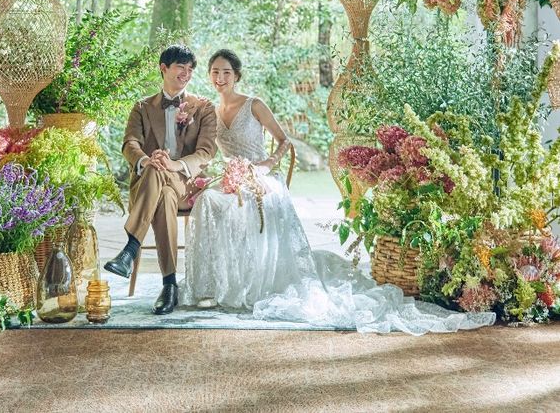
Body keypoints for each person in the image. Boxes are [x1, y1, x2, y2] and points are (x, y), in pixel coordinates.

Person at [179, 49, 496, 335]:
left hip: (262, 174)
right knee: (208, 200)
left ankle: (255, 281)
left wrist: (267, 164)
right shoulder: (209, 110)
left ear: (236, 76)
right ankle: (216, 283)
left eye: (226, 72)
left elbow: (284, 141)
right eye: (215, 72)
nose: (220, 78)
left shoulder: (254, 105)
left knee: (249, 202)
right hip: (233, 175)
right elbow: (202, 146)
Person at [104, 44, 217, 315]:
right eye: (180, 67)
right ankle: (169, 285)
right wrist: (146, 160)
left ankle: (130, 247)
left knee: (161, 173)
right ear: (163, 68)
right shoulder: (142, 107)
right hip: (152, 187)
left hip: (186, 184)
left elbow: (206, 152)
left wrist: (175, 164)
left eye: (190, 69)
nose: (186, 73)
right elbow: (130, 143)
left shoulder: (203, 107)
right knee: (161, 189)